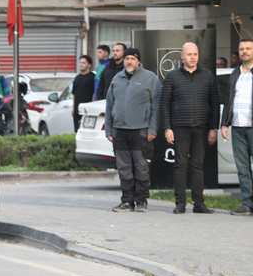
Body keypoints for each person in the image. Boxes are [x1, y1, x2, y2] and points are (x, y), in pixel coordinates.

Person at [161, 42, 220, 214]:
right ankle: (180, 203)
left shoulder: (208, 76)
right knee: (180, 164)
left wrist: (214, 128)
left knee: (197, 165)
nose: (192, 57)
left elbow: (215, 104)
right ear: (182, 56)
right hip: (179, 127)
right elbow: (165, 103)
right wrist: (167, 128)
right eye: (189, 54)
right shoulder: (172, 76)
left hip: (202, 128)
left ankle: (199, 204)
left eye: (195, 54)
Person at [105, 48, 161, 212]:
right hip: (119, 131)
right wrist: (109, 128)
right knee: (124, 168)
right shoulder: (117, 78)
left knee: (141, 168)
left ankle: (141, 201)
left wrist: (153, 129)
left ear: (138, 61)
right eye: (127, 58)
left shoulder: (150, 78)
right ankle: (127, 201)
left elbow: (157, 107)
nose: (129, 61)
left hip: (141, 131)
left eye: (132, 59)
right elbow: (109, 105)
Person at [220, 39, 253, 216]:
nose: (244, 52)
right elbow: (228, 100)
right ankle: (247, 204)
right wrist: (225, 124)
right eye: (242, 49)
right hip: (238, 128)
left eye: (248, 49)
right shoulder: (235, 73)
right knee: (242, 168)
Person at [72, 55, 96, 131]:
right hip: (77, 110)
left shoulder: (93, 77)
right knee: (77, 131)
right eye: (80, 62)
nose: (81, 64)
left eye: (83, 63)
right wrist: (73, 108)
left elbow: (94, 93)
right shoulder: (77, 78)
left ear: (89, 65)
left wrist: (92, 106)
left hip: (87, 110)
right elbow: (74, 94)